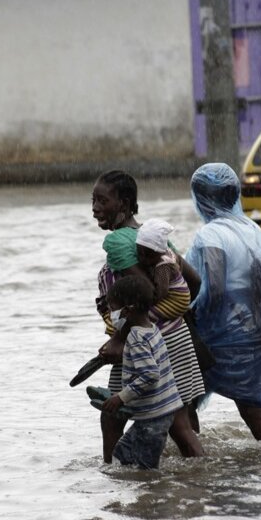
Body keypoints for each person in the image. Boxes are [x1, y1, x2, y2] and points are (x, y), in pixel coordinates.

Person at [185, 163, 261, 441]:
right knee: (258, 414)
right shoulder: (250, 228)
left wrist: (194, 320)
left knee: (181, 406)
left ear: (200, 199)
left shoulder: (211, 234)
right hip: (260, 337)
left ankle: (190, 468)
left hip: (227, 341)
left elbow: (215, 289)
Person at [90, 170, 205, 461]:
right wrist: (173, 316)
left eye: (103, 200)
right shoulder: (152, 239)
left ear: (124, 203)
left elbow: (142, 294)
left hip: (143, 341)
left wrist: (119, 338)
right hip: (175, 337)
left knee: (113, 415)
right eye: (93, 200)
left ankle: (112, 478)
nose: (95, 208)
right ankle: (200, 481)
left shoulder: (117, 243)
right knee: (179, 422)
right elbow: (194, 281)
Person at [97, 275, 183, 469]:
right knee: (125, 455)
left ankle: (153, 494)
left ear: (127, 310)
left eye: (112, 309)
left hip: (153, 415)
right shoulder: (151, 328)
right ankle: (151, 490)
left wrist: (121, 397)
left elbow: (150, 374)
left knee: (143, 467)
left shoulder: (136, 338)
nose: (111, 314)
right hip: (164, 410)